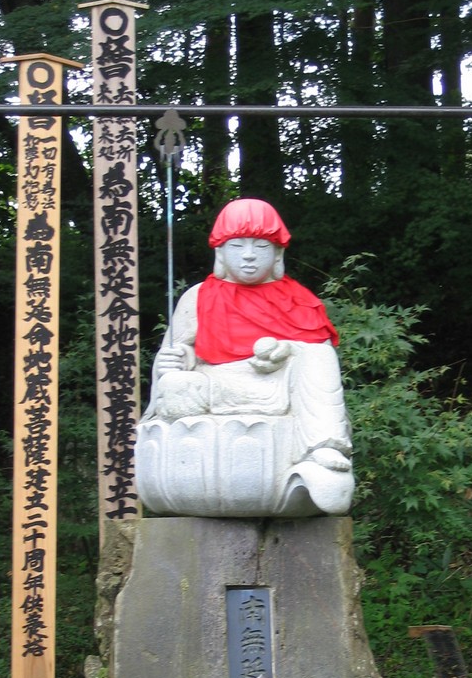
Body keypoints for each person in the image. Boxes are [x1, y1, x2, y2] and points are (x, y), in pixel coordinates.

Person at [141, 199, 353, 481]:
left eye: (261, 246)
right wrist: (172, 361)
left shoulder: (298, 299)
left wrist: (288, 350)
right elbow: (176, 353)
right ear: (220, 252)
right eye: (237, 246)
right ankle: (192, 463)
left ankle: (323, 445)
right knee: (175, 385)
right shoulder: (198, 297)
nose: (249, 256)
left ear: (277, 254)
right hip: (218, 385)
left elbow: (320, 355)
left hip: (278, 385)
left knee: (321, 356)